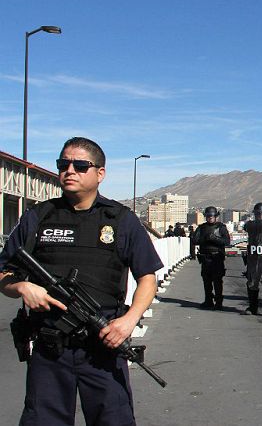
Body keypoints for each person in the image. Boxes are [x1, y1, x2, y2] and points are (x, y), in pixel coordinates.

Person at [0, 137, 162, 425]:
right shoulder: (37, 217)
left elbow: (147, 278)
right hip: (50, 350)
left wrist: (129, 321)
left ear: (100, 173)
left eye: (80, 165)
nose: (70, 170)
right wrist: (22, 287)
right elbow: (3, 273)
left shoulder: (120, 220)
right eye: (63, 164)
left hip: (103, 347)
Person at [193, 206, 231, 310]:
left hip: (217, 257)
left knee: (217, 281)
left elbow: (227, 242)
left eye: (212, 216)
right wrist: (202, 239)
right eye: (208, 216)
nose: (210, 218)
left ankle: (219, 302)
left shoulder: (221, 227)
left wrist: (215, 239)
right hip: (205, 257)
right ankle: (208, 300)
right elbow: (194, 240)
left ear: (216, 216)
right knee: (206, 280)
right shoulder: (201, 227)